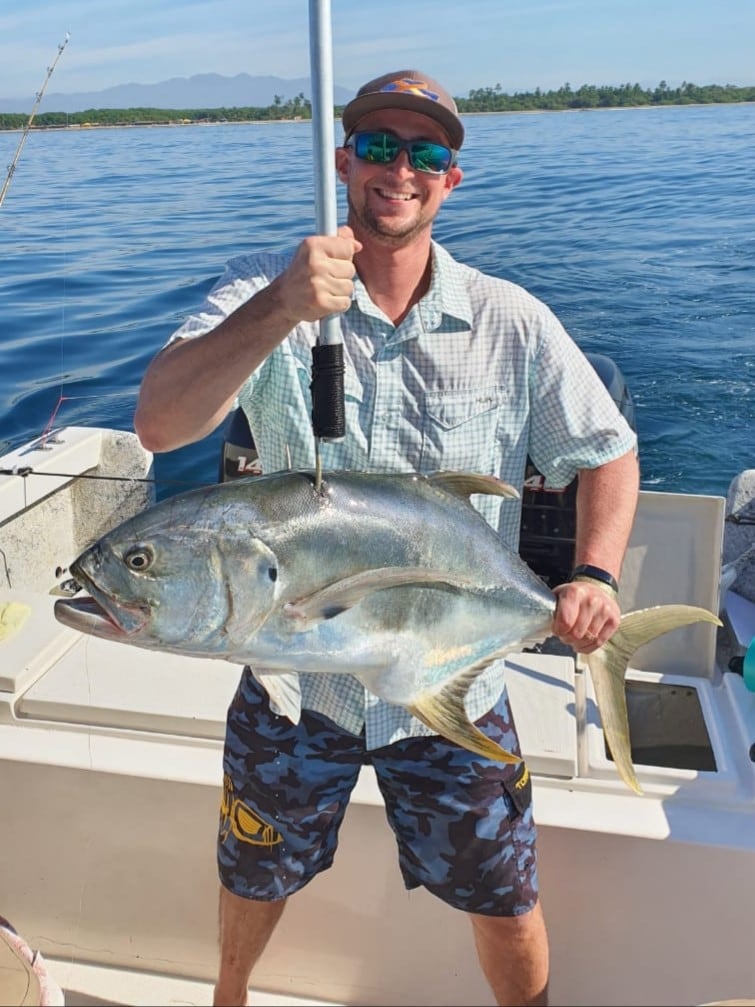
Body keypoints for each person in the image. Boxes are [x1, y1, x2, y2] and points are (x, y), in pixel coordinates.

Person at [134, 69, 639, 1007]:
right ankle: (228, 997)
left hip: (451, 676)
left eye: (425, 153)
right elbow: (161, 425)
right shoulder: (265, 294)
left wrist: (595, 573)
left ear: (452, 179)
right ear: (343, 160)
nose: (398, 169)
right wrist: (281, 307)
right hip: (296, 686)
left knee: (504, 896)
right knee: (251, 875)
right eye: (376, 146)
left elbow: (607, 451)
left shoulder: (510, 321)